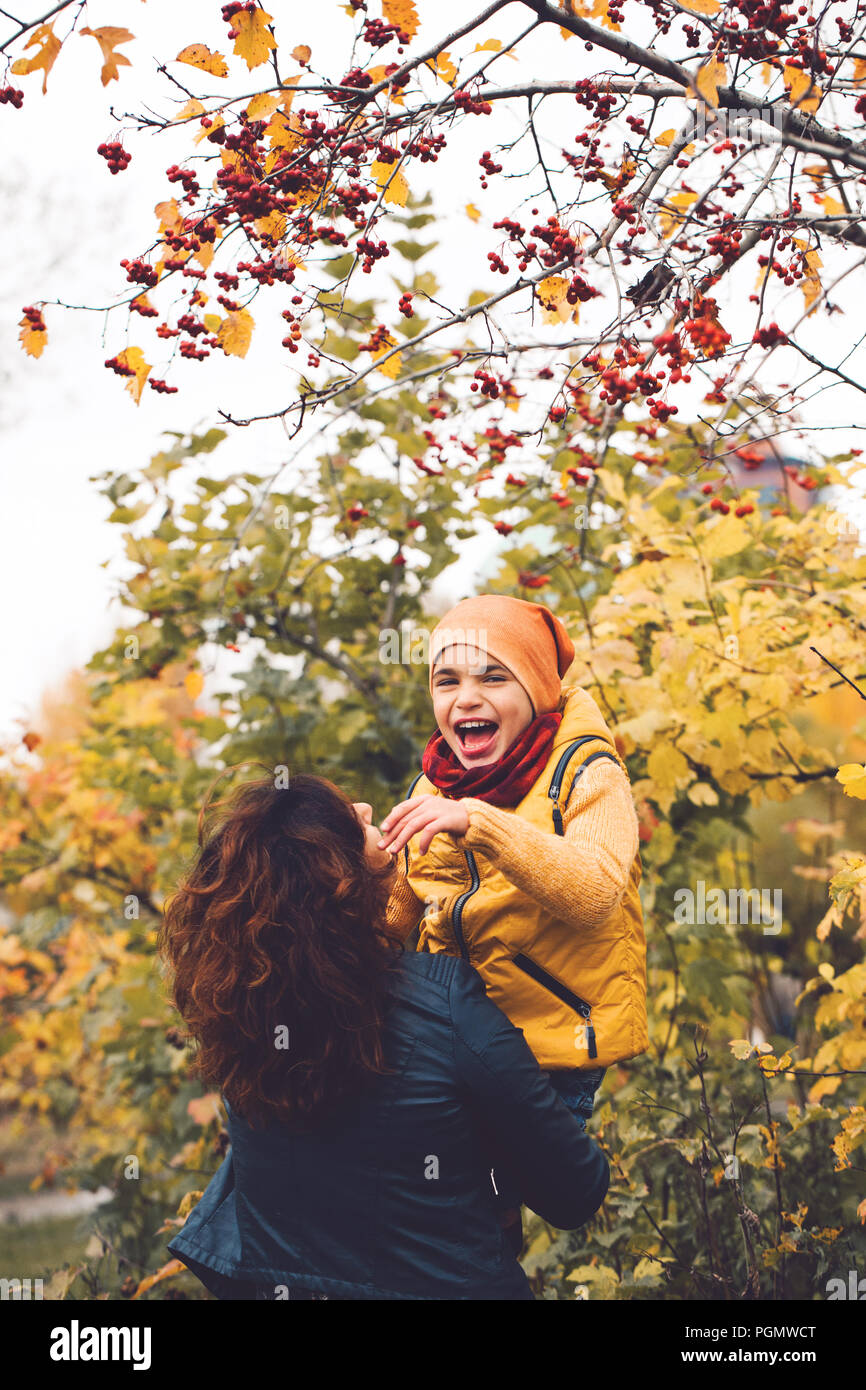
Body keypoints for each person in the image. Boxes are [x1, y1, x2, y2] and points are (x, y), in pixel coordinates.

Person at [159, 771, 610, 1300]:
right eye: (348, 817)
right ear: (335, 879)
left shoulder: (240, 1023)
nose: (368, 807)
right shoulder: (443, 1003)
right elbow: (576, 1191)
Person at [379, 594, 648, 1244]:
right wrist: (358, 873)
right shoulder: (432, 789)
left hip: (550, 1047)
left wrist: (482, 824)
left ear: (536, 689)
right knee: (426, 1199)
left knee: (479, 1204)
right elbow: (394, 924)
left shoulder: (585, 772)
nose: (465, 698)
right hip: (460, 1038)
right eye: (448, 681)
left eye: (492, 677)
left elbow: (596, 891)